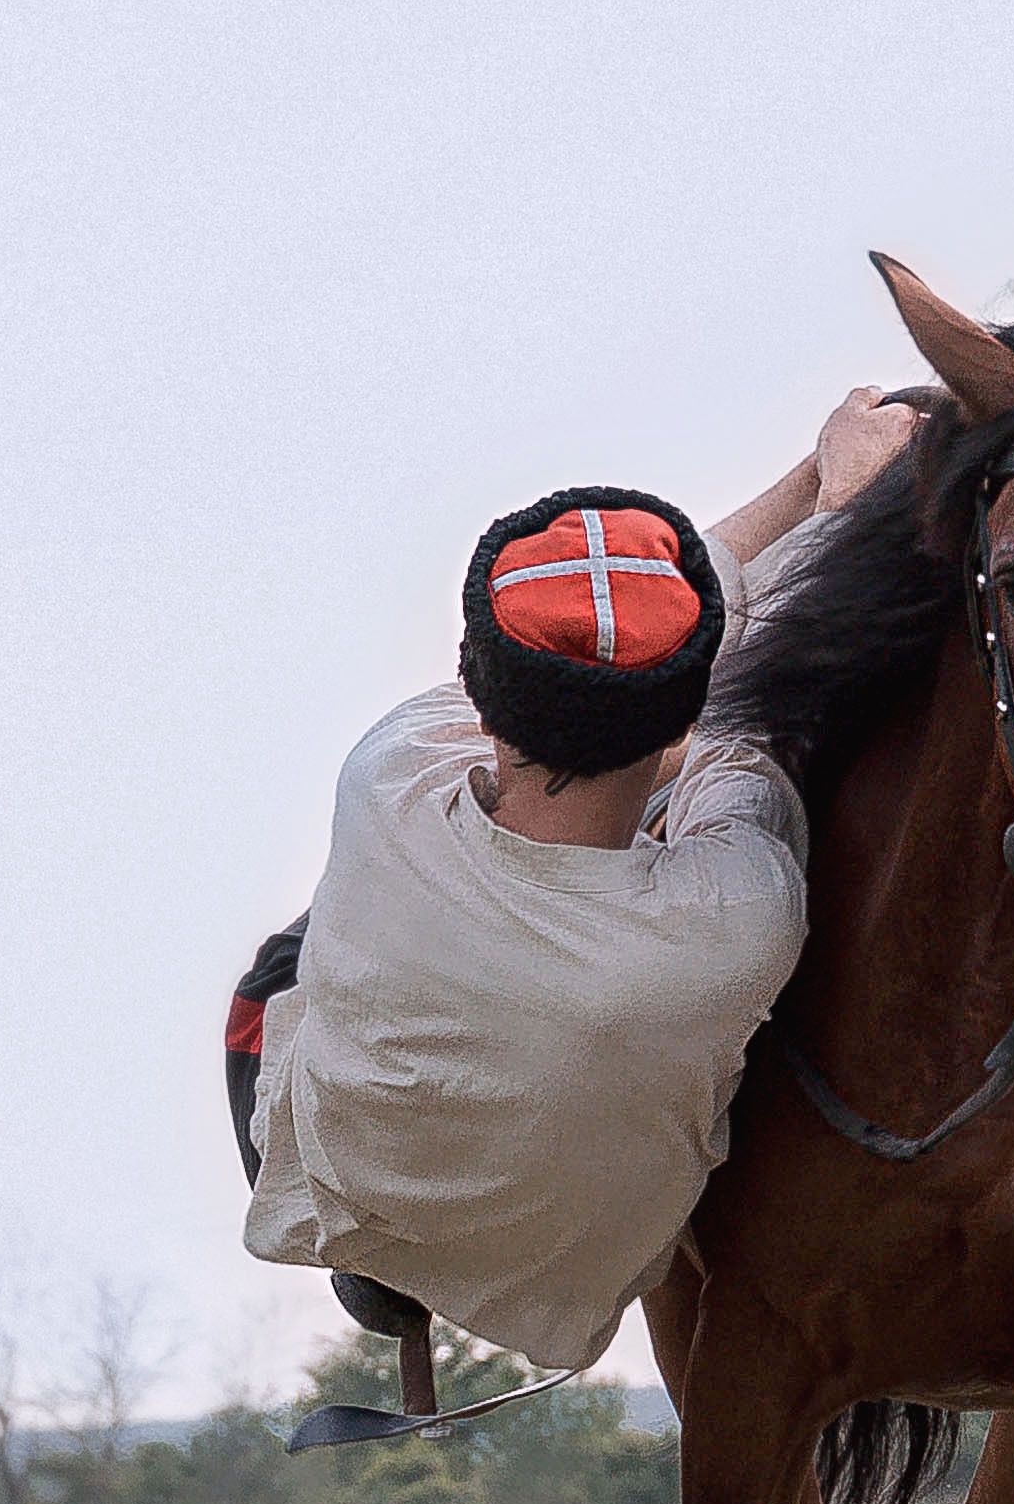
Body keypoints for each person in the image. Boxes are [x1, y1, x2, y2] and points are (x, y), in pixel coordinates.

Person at [228, 389, 917, 1423]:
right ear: (677, 707)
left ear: (473, 676)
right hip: (567, 1279)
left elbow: (698, 646)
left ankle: (376, 1238)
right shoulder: (736, 915)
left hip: (341, 1180)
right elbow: (743, 701)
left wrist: (821, 480)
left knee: (295, 960)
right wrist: (842, 509)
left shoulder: (385, 775)